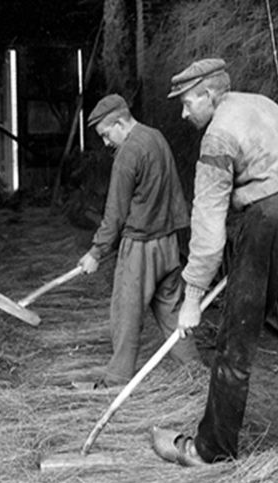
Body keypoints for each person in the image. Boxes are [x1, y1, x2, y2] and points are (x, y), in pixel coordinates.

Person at [150, 58, 278, 483]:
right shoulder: (263, 106)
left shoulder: (217, 134)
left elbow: (208, 224)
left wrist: (192, 298)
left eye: (187, 102)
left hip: (271, 221)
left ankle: (210, 450)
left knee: (234, 345)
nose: (184, 113)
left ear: (209, 94)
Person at [74, 94, 200, 390]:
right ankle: (197, 375)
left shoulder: (127, 154)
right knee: (172, 314)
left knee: (126, 315)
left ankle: (116, 382)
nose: (106, 142)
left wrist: (96, 252)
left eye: (106, 134)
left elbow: (115, 212)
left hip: (141, 248)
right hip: (169, 243)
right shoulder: (156, 137)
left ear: (120, 122)